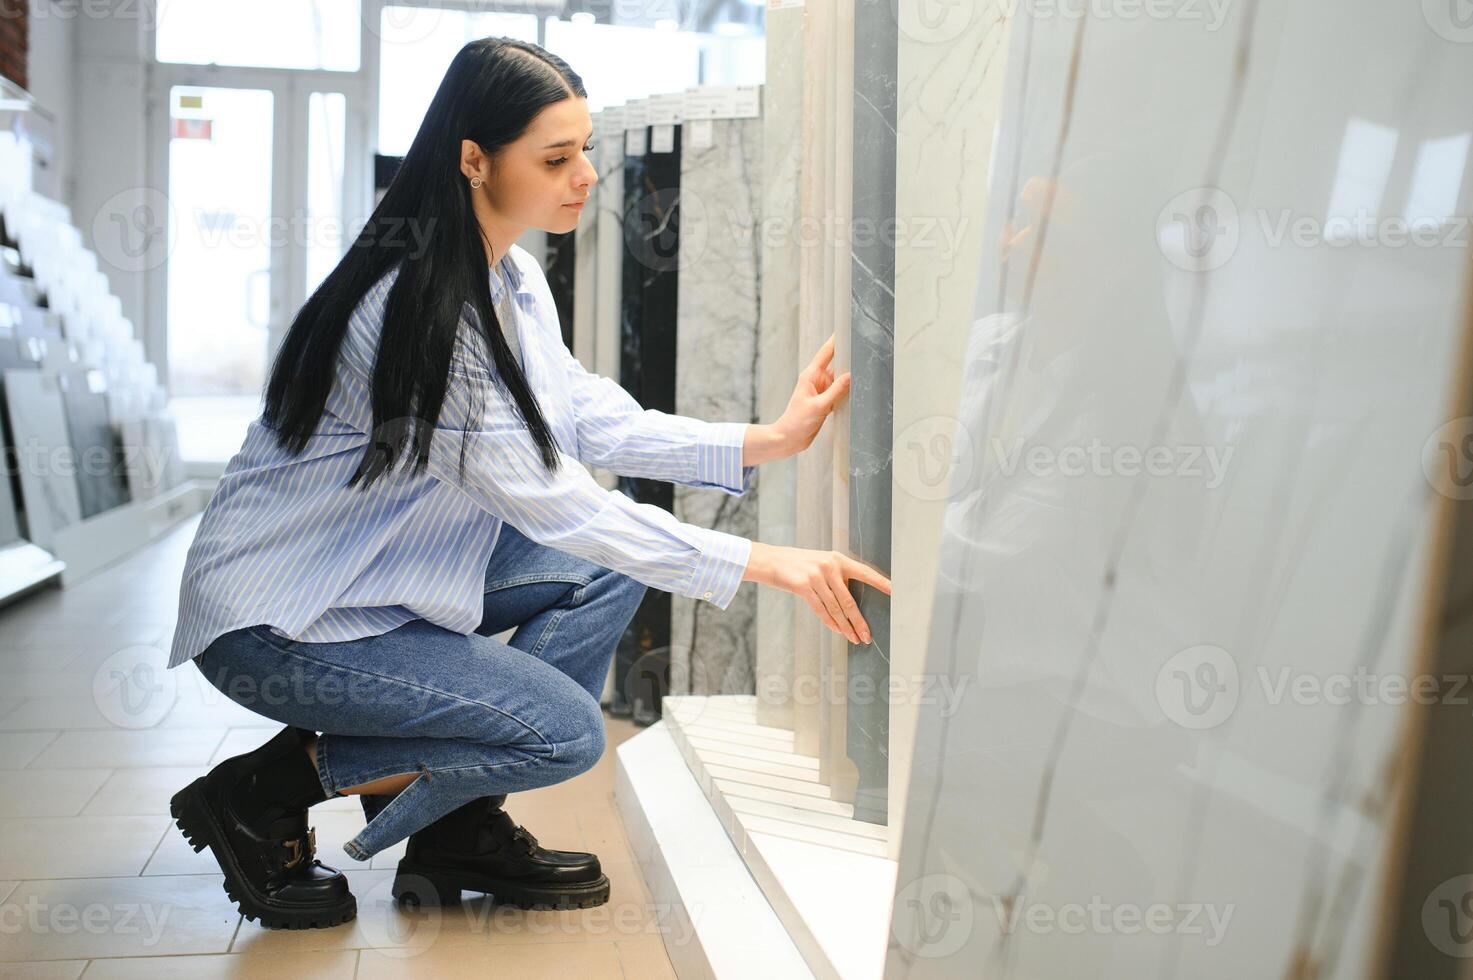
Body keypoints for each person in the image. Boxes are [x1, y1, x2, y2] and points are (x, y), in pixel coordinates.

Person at [164, 36, 892, 930]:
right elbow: (555, 501)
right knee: (562, 732)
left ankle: (456, 832)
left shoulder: (507, 273)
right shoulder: (417, 310)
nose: (584, 174)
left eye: (583, 147)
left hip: (374, 576)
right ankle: (259, 790)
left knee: (610, 566)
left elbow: (583, 414)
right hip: (280, 625)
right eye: (556, 157)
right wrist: (766, 562)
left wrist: (765, 439)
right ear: (473, 160)